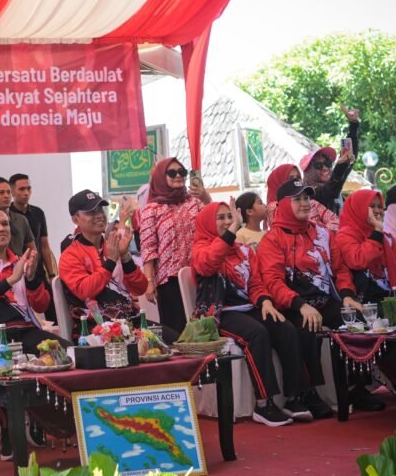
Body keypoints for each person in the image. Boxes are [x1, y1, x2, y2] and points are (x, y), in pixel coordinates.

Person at [258, 179, 384, 413]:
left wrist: (347, 295)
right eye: (298, 199)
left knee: (357, 318)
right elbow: (272, 281)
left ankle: (358, 387)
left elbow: (341, 270)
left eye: (307, 198)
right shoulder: (272, 239)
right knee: (307, 327)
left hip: (325, 301)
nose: (305, 203)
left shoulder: (323, 233)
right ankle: (305, 393)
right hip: (292, 306)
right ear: (284, 204)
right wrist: (300, 305)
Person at [0, 206, 69, 458]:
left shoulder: (21, 260)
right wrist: (9, 280)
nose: (1, 229)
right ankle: (9, 433)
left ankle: (60, 423)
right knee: (4, 366)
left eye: (5, 224)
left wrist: (31, 279)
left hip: (25, 328)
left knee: (67, 354)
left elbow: (41, 305)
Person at [192, 201, 318, 426]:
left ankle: (294, 397)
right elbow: (209, 264)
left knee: (285, 327)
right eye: (220, 218)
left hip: (249, 308)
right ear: (207, 223)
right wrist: (232, 232)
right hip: (219, 314)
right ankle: (264, 404)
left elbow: (256, 284)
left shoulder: (243, 250)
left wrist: (266, 302)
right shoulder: (201, 249)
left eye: (229, 217)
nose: (227, 222)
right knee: (257, 333)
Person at [59, 190, 178, 344]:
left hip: (130, 323)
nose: (99, 215)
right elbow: (85, 291)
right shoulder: (70, 255)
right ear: (75, 219)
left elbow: (140, 288)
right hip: (95, 330)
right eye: (91, 212)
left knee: (175, 341)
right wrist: (111, 261)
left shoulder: (113, 245)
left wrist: (125, 257)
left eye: (100, 210)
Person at [140, 157, 210, 334]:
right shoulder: (152, 209)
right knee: (176, 332)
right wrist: (149, 281)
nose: (178, 175)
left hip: (198, 276)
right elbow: (148, 246)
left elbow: (213, 223)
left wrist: (205, 196)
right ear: (161, 177)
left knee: (203, 330)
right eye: (172, 173)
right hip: (168, 280)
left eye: (182, 172)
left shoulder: (194, 202)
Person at [336, 189, 396, 302]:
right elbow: (358, 261)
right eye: (371, 206)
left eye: (380, 206)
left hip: (391, 298)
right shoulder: (345, 235)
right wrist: (377, 232)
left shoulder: (387, 237)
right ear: (358, 207)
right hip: (365, 303)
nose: (377, 211)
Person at [299, 105, 360, 215]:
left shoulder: (335, 189)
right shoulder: (308, 195)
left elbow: (350, 159)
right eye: (318, 165)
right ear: (308, 171)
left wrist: (353, 126)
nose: (325, 168)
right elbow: (330, 191)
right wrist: (340, 166)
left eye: (327, 163)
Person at [9, 173, 57, 280]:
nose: (26, 193)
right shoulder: (7, 215)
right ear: (12, 192)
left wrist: (51, 274)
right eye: (21, 189)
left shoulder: (38, 213)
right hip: (15, 273)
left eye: (28, 189)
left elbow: (44, 245)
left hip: (38, 272)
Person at [265, 164, 339, 231]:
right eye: (291, 178)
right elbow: (288, 230)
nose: (295, 181)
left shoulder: (311, 202)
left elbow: (336, 220)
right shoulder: (275, 208)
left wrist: (321, 234)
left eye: (298, 177)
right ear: (280, 181)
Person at [0, 177, 35, 257]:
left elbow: (31, 249)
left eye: (8, 192)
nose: (6, 196)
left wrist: (29, 266)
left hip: (19, 266)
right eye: (1, 193)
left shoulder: (21, 220)